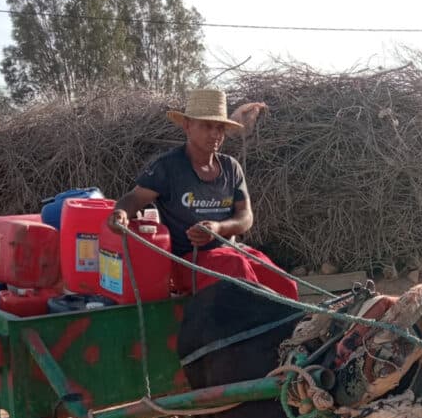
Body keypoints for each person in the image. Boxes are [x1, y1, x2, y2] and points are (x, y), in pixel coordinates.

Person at [110, 89, 298, 300]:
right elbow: (134, 199)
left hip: (231, 251)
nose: (215, 134)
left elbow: (246, 217)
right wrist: (120, 213)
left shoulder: (231, 167)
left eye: (220, 128)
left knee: (285, 285)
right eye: (207, 126)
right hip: (187, 262)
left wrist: (218, 228)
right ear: (187, 126)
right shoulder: (168, 167)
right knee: (240, 275)